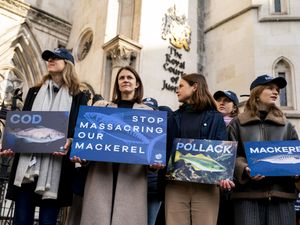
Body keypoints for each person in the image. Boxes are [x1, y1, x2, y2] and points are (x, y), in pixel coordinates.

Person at [0, 47, 88, 225]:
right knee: (21, 219)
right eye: (49, 58)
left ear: (67, 64)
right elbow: (20, 125)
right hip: (27, 167)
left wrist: (69, 141)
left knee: (48, 220)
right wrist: (11, 144)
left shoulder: (79, 96)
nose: (50, 60)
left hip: (56, 168)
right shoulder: (33, 92)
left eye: (56, 58)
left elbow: (81, 130)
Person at [72, 66, 159, 225]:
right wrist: (82, 158)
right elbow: (89, 142)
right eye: (121, 78)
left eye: (129, 77)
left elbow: (150, 155)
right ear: (117, 84)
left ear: (137, 84)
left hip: (132, 178)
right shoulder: (101, 108)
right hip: (101, 174)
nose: (125, 80)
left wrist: (153, 165)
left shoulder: (149, 112)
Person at [227, 74, 299, 225]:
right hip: (247, 196)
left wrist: (296, 170)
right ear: (257, 93)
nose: (276, 92)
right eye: (270, 88)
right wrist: (245, 168)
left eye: (278, 90)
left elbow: (295, 156)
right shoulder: (237, 123)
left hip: (282, 195)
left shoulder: (287, 125)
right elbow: (229, 156)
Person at [165, 73, 234, 225]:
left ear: (195, 87)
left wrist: (225, 175)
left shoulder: (216, 118)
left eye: (181, 86)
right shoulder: (172, 117)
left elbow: (222, 150)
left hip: (206, 188)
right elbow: (165, 150)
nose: (177, 90)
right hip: (176, 186)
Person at [213, 90, 239, 225]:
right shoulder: (210, 123)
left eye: (227, 100)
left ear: (235, 106)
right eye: (219, 100)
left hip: (235, 184)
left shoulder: (239, 125)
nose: (221, 103)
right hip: (212, 182)